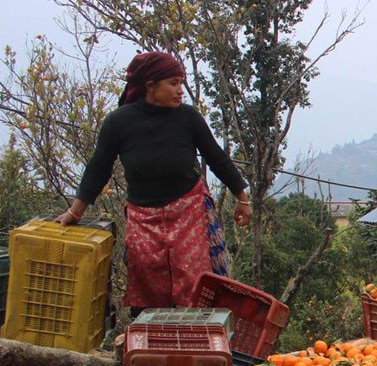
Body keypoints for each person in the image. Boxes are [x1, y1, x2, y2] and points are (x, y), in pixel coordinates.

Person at [57, 51, 251, 311]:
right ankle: (151, 344)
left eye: (181, 83)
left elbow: (217, 158)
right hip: (143, 218)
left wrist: (242, 198)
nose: (180, 91)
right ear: (151, 86)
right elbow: (98, 168)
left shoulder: (188, 118)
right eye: (173, 83)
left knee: (195, 285)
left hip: (189, 213)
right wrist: (75, 211)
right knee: (148, 287)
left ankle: (197, 343)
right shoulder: (119, 123)